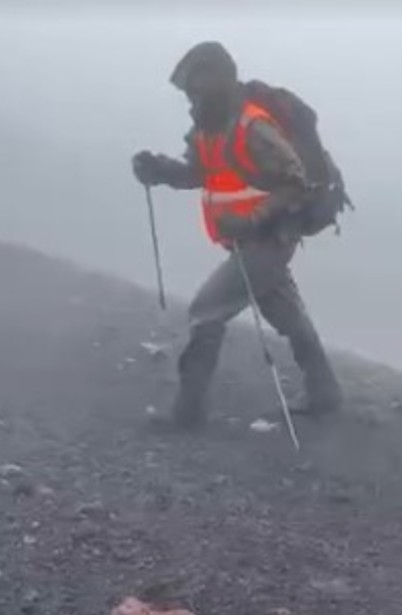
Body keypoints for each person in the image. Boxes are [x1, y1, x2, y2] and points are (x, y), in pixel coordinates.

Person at [131, 41, 342, 429]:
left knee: (205, 311)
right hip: (248, 239)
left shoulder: (253, 127)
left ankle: (187, 413)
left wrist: (250, 220)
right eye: (188, 94)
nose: (191, 101)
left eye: (195, 91)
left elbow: (295, 184)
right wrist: (158, 170)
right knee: (285, 314)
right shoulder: (207, 129)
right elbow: (197, 173)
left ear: (216, 84)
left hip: (269, 238)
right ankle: (324, 392)